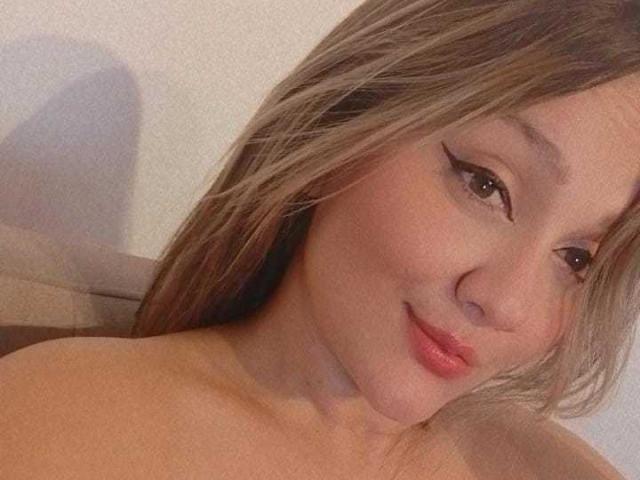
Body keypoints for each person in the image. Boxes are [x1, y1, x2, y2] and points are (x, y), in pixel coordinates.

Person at [2, 1, 640, 478]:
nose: (507, 302)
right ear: (351, 115)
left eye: (577, 257)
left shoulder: (547, 469)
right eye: (484, 184)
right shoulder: (63, 426)